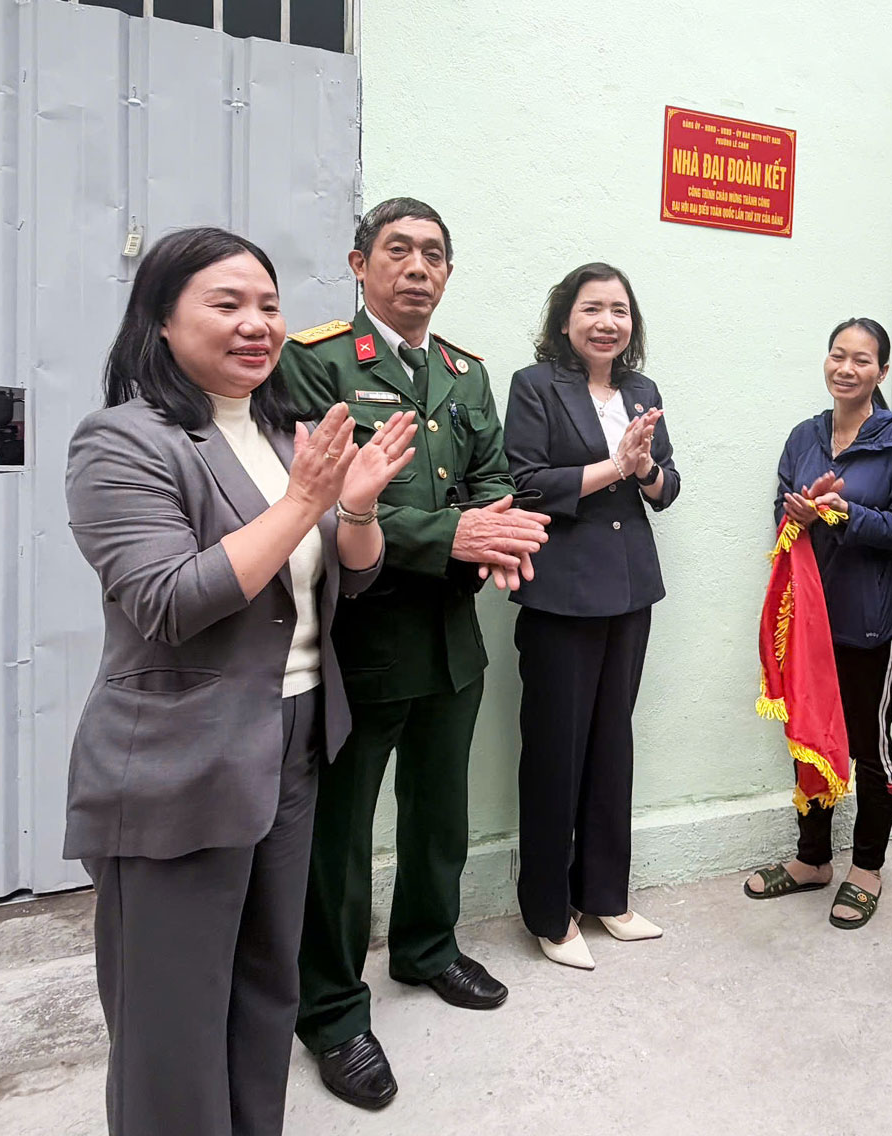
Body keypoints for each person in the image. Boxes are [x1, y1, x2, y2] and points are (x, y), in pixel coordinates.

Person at [63, 226, 415, 1136]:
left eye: (267, 304)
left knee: (266, 987)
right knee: (171, 1021)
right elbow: (170, 598)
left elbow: (353, 574)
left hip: (293, 743)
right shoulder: (124, 442)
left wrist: (358, 508)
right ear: (162, 321)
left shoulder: (274, 432)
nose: (257, 324)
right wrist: (306, 502)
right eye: (227, 304)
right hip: (182, 763)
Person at [280, 198, 551, 1110]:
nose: (417, 267)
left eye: (434, 254)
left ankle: (428, 949)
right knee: (341, 837)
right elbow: (317, 499)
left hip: (450, 638)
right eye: (398, 250)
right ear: (360, 264)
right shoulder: (316, 362)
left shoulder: (463, 373)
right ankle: (329, 1009)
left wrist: (500, 530)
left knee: (441, 813)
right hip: (359, 638)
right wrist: (457, 535)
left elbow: (497, 480)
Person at [502, 262, 681, 969]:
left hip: (630, 590)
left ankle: (606, 894)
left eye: (619, 309)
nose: (607, 321)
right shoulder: (534, 385)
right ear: (565, 320)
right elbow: (525, 483)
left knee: (613, 745)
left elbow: (666, 486)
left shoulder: (642, 390)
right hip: (560, 595)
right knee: (555, 751)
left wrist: (643, 471)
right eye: (592, 308)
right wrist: (615, 465)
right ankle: (550, 912)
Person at [743, 318, 892, 929]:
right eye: (837, 355)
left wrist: (846, 515)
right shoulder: (804, 435)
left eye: (862, 360)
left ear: (882, 371)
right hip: (808, 624)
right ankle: (812, 860)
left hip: (869, 624)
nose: (846, 368)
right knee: (810, 739)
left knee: (869, 748)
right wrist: (796, 513)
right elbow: (781, 508)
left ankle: (868, 869)